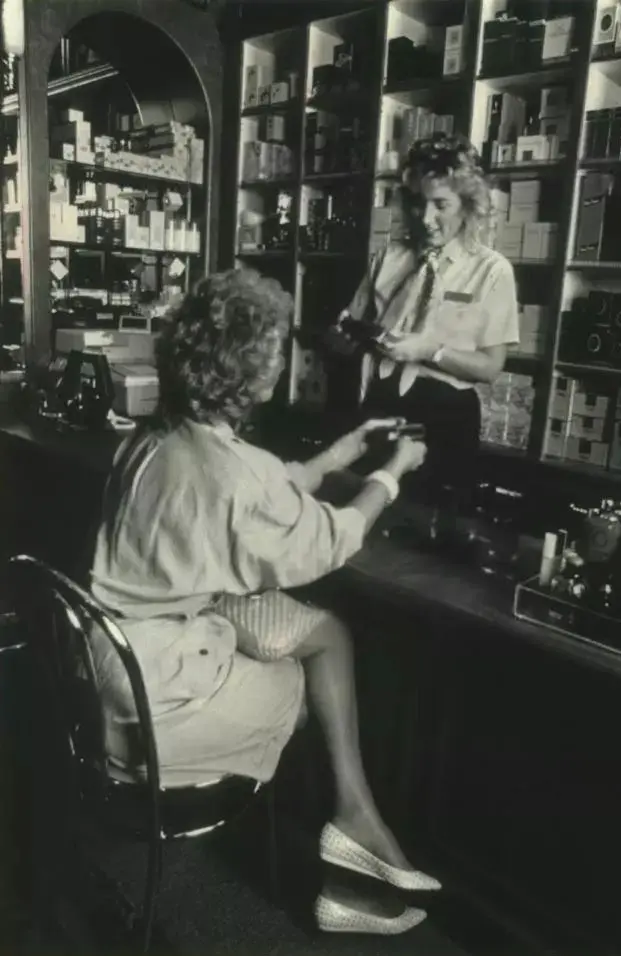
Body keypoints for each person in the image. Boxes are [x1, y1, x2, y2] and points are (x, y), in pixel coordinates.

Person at [88, 268, 437, 936]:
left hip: (109, 660)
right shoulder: (233, 474)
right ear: (258, 371)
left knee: (322, 630)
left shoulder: (148, 440)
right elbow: (333, 537)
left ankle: (354, 828)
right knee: (301, 674)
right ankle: (343, 858)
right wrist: (391, 476)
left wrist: (336, 457)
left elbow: (252, 483)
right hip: (154, 700)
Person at [338, 132, 519, 535]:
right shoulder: (388, 257)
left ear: (468, 206)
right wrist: (349, 330)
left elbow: (491, 367)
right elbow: (350, 324)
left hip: (443, 416)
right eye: (418, 203)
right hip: (380, 403)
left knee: (427, 536)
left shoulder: (491, 270)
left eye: (441, 205)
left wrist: (430, 350)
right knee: (365, 522)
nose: (426, 217)